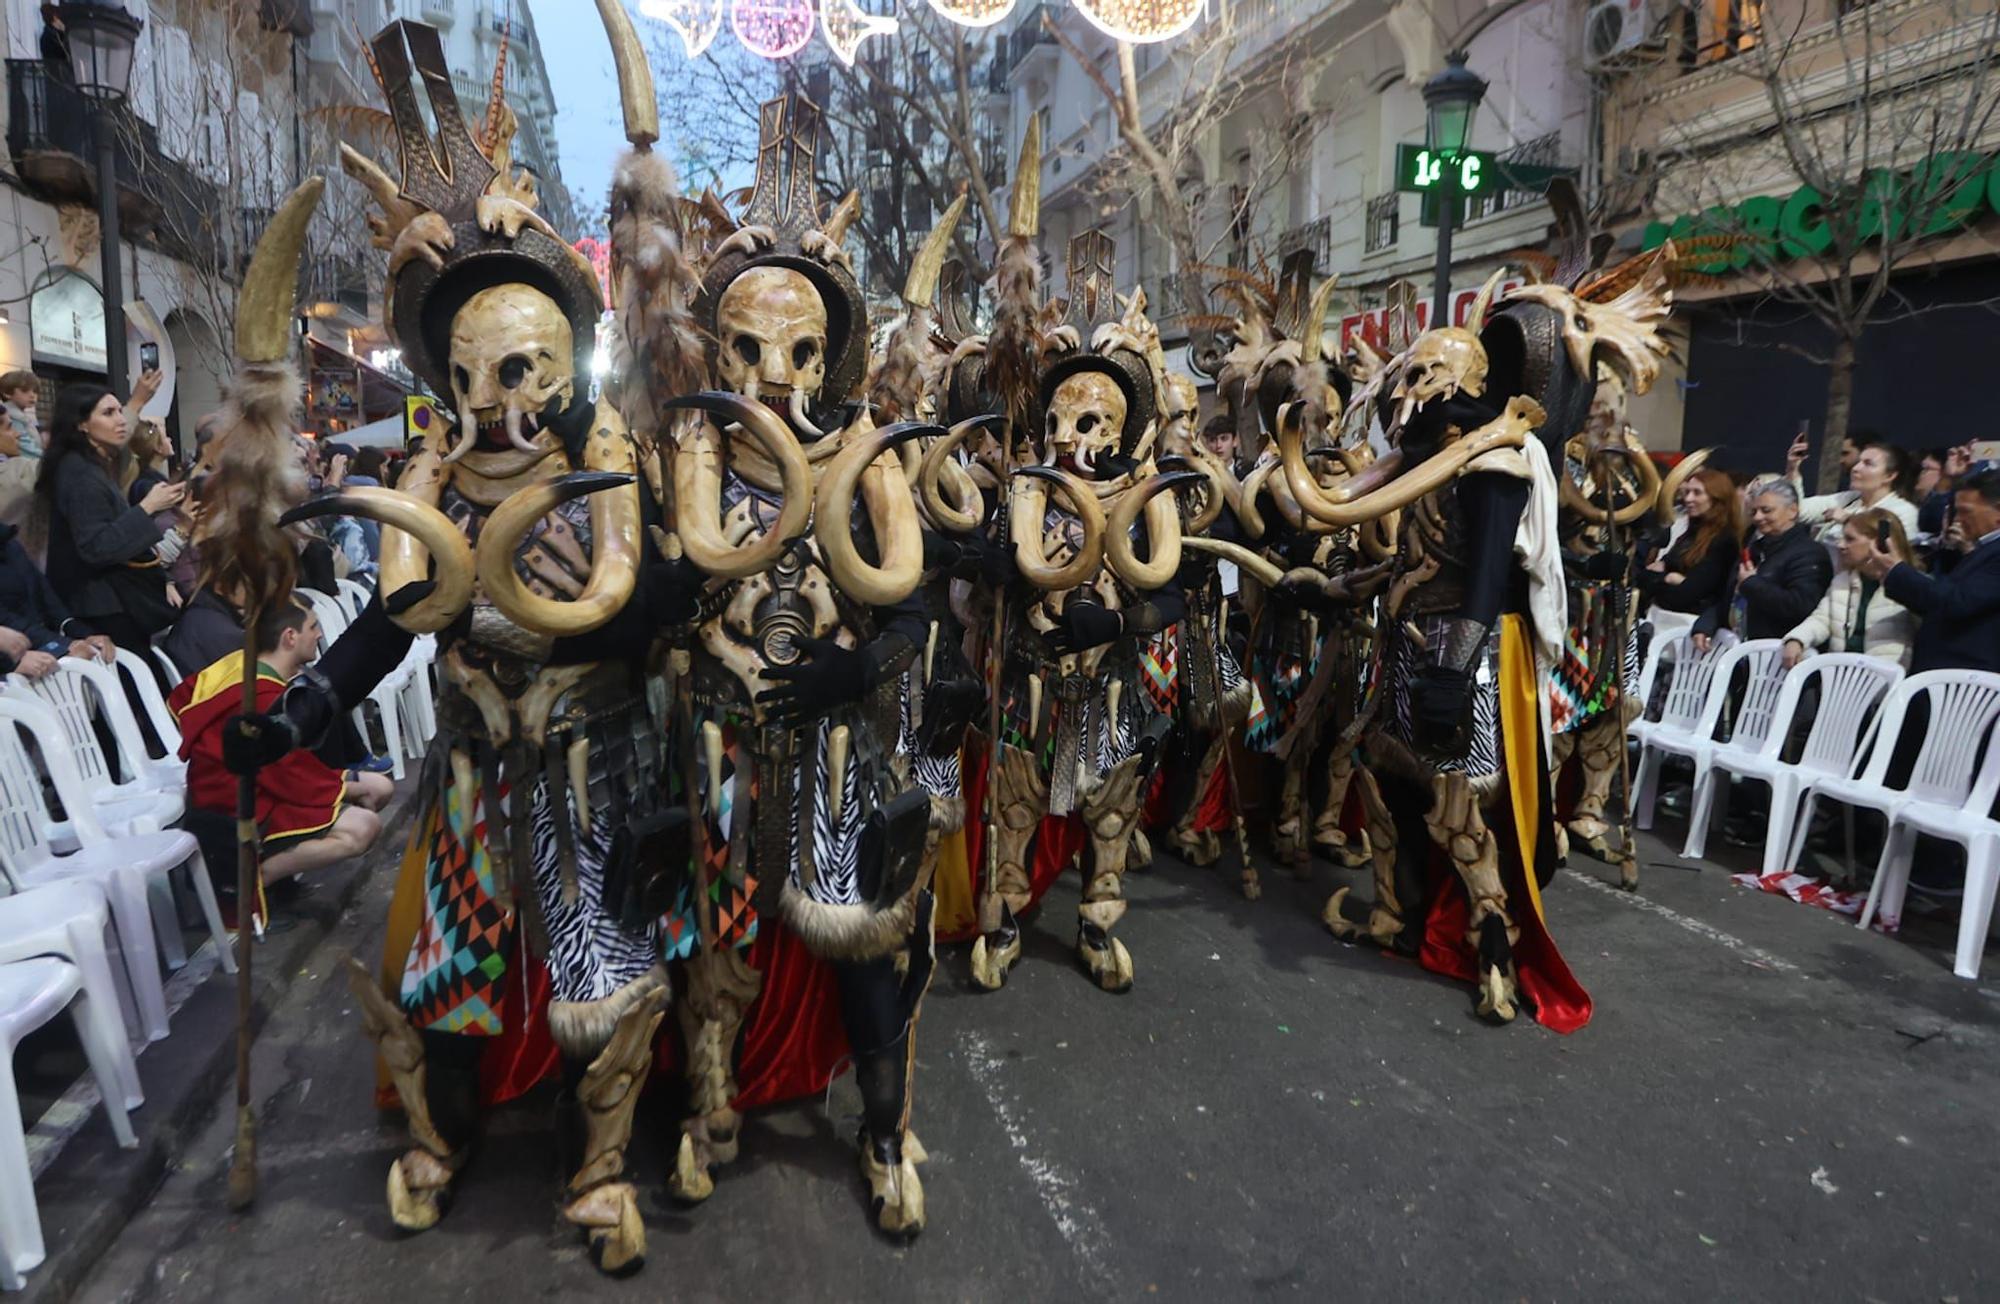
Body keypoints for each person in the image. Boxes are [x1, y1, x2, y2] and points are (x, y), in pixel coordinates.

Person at [170, 598, 390, 901]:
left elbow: (180, 699)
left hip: (253, 788)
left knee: (378, 786)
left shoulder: (238, 664)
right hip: (238, 805)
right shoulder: (262, 696)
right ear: (290, 637)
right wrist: (347, 789)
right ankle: (258, 881)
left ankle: (284, 871)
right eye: (312, 627)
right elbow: (285, 774)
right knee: (364, 827)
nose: (320, 635)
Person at [35, 385, 186, 663]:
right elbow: (96, 547)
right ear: (81, 424)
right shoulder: (79, 473)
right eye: (108, 413)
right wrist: (147, 507)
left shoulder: (92, 465)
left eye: (119, 411)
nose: (120, 420)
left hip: (111, 600)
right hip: (101, 606)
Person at [1863, 466, 2000, 675]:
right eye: (1956, 511)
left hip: (1967, 680)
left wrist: (1897, 570)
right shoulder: (1981, 550)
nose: (1959, 520)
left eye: (1966, 511)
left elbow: (1956, 602)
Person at [1782, 509, 1917, 670]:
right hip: (1840, 674)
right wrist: (1797, 639)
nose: (1840, 545)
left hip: (1884, 677)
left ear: (1879, 543)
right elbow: (1822, 619)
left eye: (1850, 539)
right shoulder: (1843, 580)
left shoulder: (1911, 584)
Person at [1705, 479, 1832, 646]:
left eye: (1766, 511)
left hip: (1775, 653)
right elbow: (1729, 597)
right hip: (1738, 647)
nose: (1758, 517)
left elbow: (1799, 606)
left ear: (1792, 510)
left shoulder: (1810, 553)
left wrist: (1752, 584)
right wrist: (1706, 625)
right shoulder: (1754, 549)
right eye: (1754, 512)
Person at [1635, 466, 1740, 646]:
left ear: (1717, 498)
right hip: (1661, 624)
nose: (1688, 498)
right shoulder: (1689, 535)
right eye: (1687, 492)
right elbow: (1641, 576)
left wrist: (1660, 576)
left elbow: (1684, 595)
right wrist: (1669, 577)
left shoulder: (1724, 542)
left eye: (1697, 493)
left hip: (1688, 634)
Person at [1795, 440, 1920, 545]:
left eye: (1868, 464)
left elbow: (1887, 551)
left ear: (1890, 475)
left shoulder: (1904, 511)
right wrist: (1793, 469)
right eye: (1858, 462)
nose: (1855, 468)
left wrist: (1847, 520)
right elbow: (1796, 511)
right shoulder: (1849, 499)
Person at [0, 371, 43, 460]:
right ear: (7, 393)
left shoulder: (22, 416)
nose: (32, 395)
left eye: (35, 391)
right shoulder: (11, 417)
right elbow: (26, 449)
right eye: (24, 390)